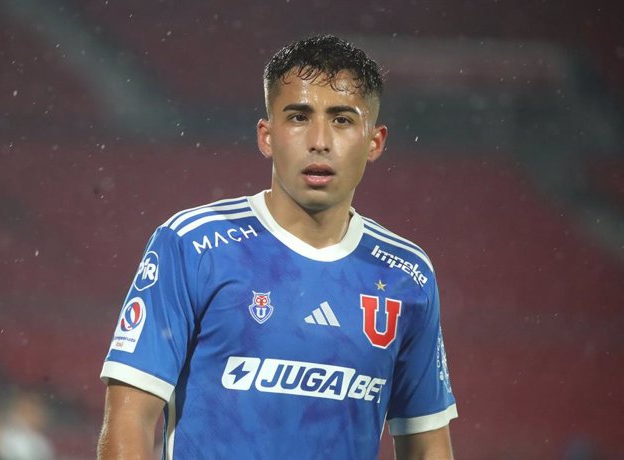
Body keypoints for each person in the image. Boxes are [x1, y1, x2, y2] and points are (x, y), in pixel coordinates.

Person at [98, 34, 457, 459]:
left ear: (374, 141)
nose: (319, 140)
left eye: (342, 120)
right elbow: (128, 420)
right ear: (266, 136)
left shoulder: (407, 275)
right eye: (299, 117)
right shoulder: (192, 245)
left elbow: (427, 446)